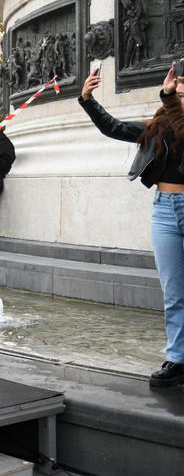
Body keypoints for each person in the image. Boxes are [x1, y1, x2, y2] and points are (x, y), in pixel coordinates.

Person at [80, 63, 184, 387]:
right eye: (175, 93)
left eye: (182, 93)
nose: (178, 97)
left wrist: (169, 98)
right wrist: (88, 101)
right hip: (165, 211)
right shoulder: (156, 128)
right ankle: (178, 359)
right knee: (174, 294)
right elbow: (112, 127)